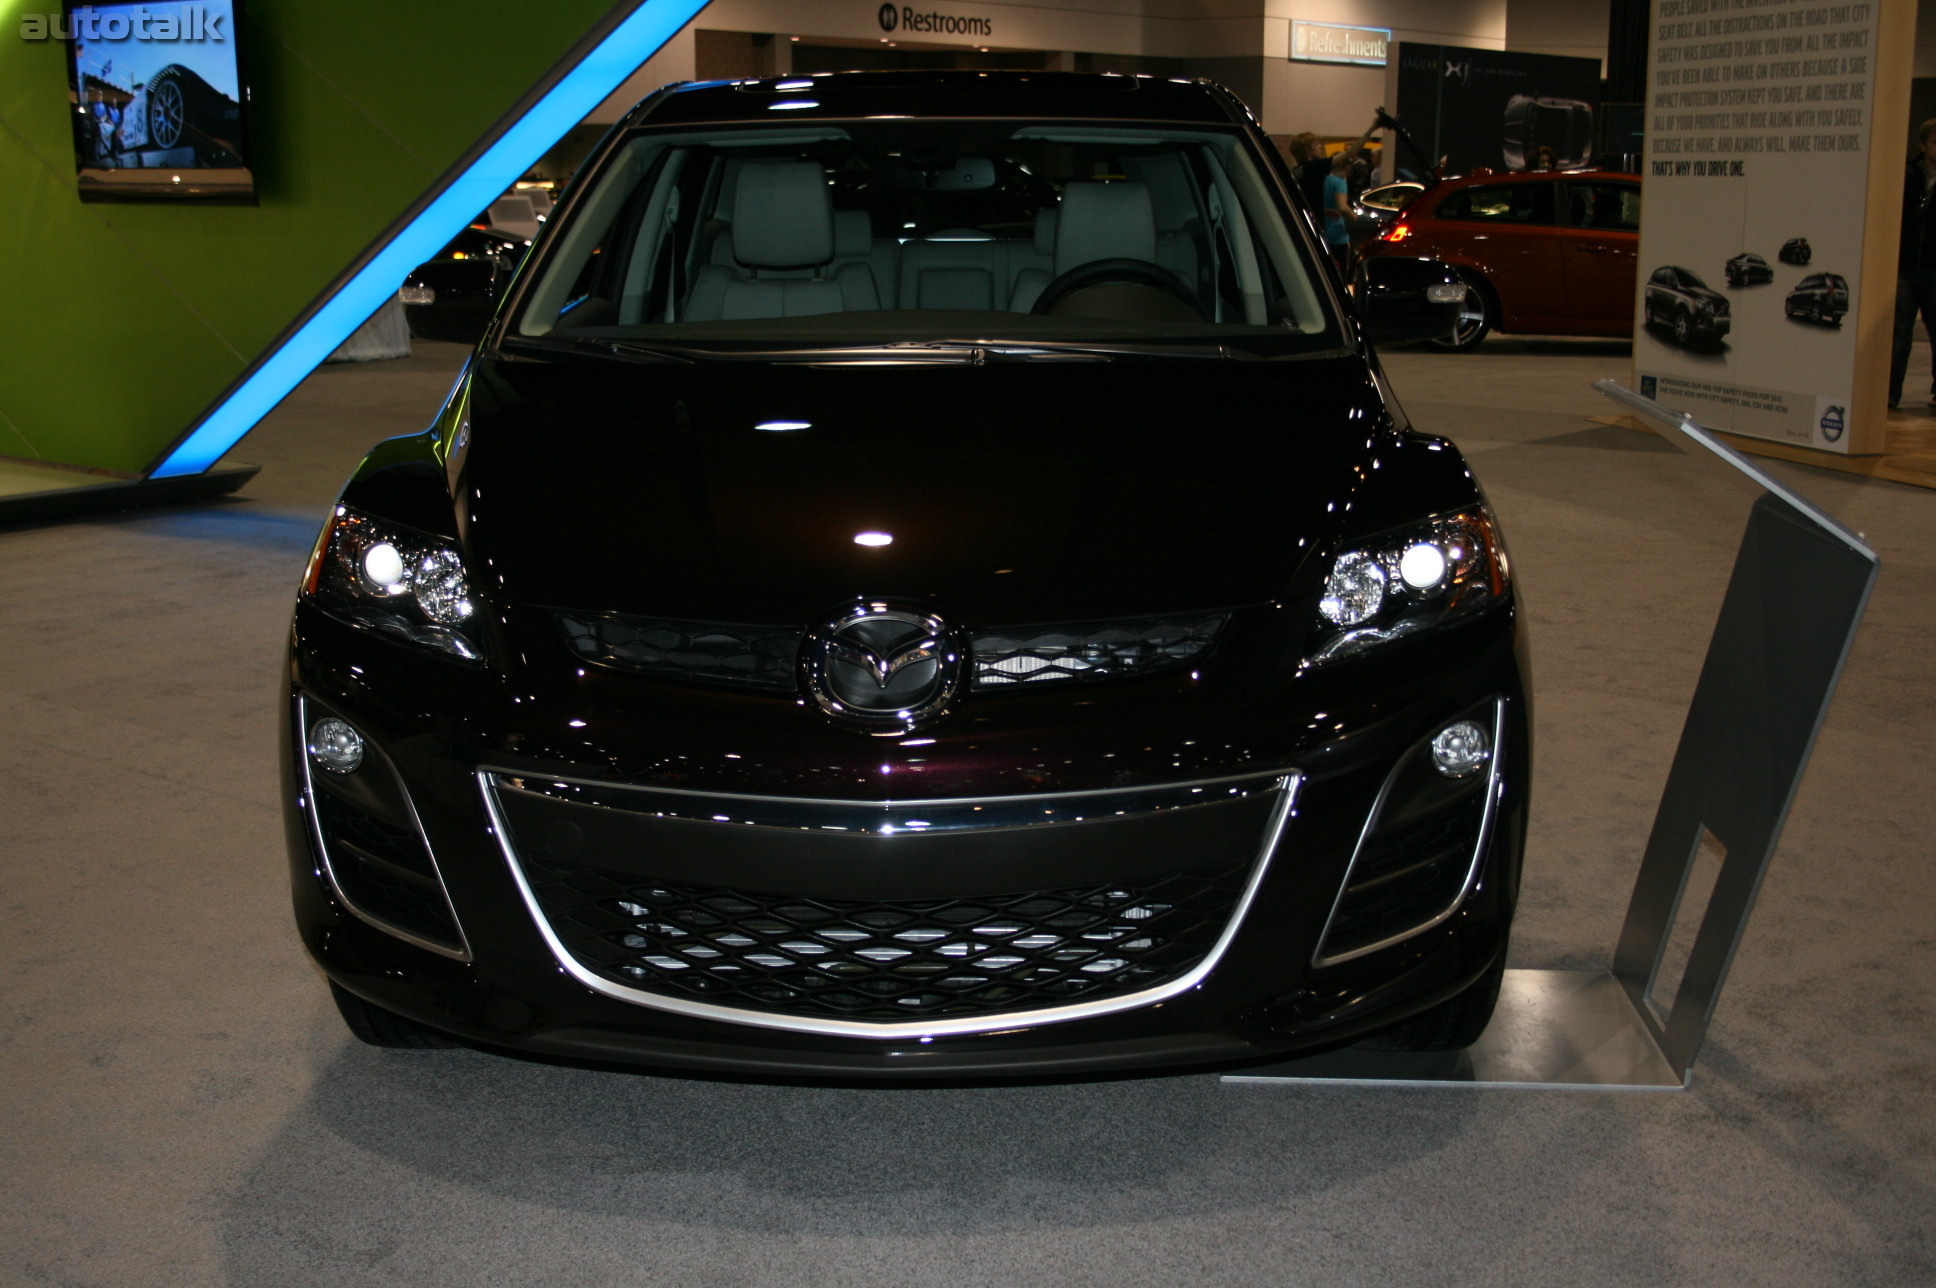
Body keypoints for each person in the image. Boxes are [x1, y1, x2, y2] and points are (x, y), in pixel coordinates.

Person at [1890, 118, 1936, 409]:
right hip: (1904, 268)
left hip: (1934, 269)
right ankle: (1889, 394)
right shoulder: (1905, 176)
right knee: (1898, 335)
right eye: (1935, 142)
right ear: (1923, 144)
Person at [1322, 149, 1354, 271]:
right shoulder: (1339, 183)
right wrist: (1354, 217)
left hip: (1321, 232)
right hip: (1337, 235)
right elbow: (1342, 207)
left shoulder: (1320, 181)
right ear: (1346, 168)